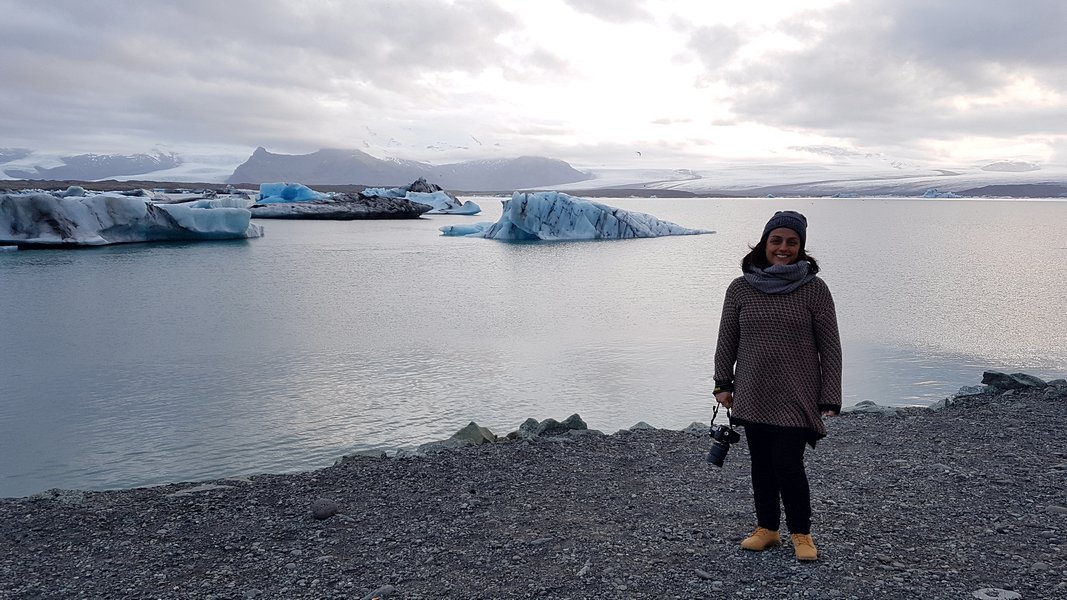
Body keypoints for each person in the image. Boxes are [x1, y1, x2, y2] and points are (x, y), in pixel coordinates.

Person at [712, 210, 842, 562]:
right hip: (753, 391)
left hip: (797, 394)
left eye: (792, 242)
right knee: (761, 465)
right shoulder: (741, 287)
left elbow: (829, 345)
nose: (783, 248)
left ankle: (801, 533)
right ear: (765, 243)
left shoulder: (814, 289)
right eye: (777, 240)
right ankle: (768, 529)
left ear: (801, 247)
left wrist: (830, 394)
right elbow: (727, 338)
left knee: (788, 464)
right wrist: (723, 383)